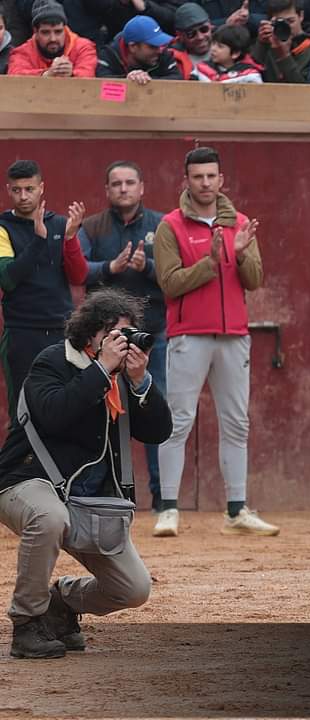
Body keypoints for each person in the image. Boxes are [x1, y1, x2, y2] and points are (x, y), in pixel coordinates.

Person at [0, 288, 172, 660]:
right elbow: (55, 414)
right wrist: (100, 371)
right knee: (48, 517)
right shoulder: (52, 362)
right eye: (115, 335)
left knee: (133, 589)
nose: (123, 344)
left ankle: (60, 602)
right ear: (92, 333)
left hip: (87, 499)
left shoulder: (123, 377)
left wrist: (141, 382)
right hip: (27, 482)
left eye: (128, 335)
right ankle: (27, 623)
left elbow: (158, 432)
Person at [152, 147, 279, 538]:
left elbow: (255, 280)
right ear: (186, 181)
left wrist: (238, 255)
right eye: (197, 177)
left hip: (234, 336)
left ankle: (236, 510)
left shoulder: (240, 223)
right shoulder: (169, 226)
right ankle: (168, 508)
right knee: (177, 421)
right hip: (188, 334)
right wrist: (211, 262)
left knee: (236, 423)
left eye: (211, 176)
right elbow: (170, 283)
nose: (205, 183)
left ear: (221, 180)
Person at [78, 161, 168, 513]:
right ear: (107, 190)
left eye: (130, 182)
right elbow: (77, 270)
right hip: (100, 343)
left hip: (152, 338)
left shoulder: (161, 226)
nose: (123, 189)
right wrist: (109, 269)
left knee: (151, 410)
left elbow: (174, 277)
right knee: (100, 413)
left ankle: (163, 499)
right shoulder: (91, 227)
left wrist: (146, 267)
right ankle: (100, 491)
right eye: (116, 183)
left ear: (142, 187)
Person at [0, 160, 87, 418]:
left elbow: (79, 276)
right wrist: (39, 240)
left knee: (66, 407)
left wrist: (70, 239)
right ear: (8, 190)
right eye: (17, 190)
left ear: (41, 188)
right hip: (22, 332)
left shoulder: (60, 224)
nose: (23, 196)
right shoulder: (3, 227)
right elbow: (7, 278)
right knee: (23, 412)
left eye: (29, 189)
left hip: (62, 330)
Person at [7, 2, 97, 76]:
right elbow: (14, 75)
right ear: (35, 31)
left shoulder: (84, 47)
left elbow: (88, 73)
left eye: (58, 32)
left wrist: (72, 74)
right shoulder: (22, 52)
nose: (53, 39)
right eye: (45, 32)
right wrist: (46, 74)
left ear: (65, 29)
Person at [95, 14, 183, 83]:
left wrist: (147, 79)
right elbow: (101, 85)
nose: (159, 50)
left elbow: (177, 79)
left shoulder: (163, 52)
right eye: (152, 46)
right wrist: (128, 79)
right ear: (133, 47)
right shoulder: (108, 55)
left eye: (160, 44)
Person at [251, 0, 310, 82]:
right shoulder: (266, 44)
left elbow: (306, 91)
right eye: (280, 23)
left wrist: (284, 56)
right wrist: (261, 45)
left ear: (301, 16)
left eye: (290, 21)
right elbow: (248, 77)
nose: (286, 27)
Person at [193, 24, 264, 82]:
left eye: (220, 46)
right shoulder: (201, 70)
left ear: (235, 53)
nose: (213, 49)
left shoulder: (249, 75)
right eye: (213, 43)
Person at [169, 1, 212, 76]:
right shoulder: (170, 59)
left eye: (204, 29)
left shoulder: (229, 43)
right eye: (191, 34)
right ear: (180, 35)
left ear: (210, 25)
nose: (200, 37)